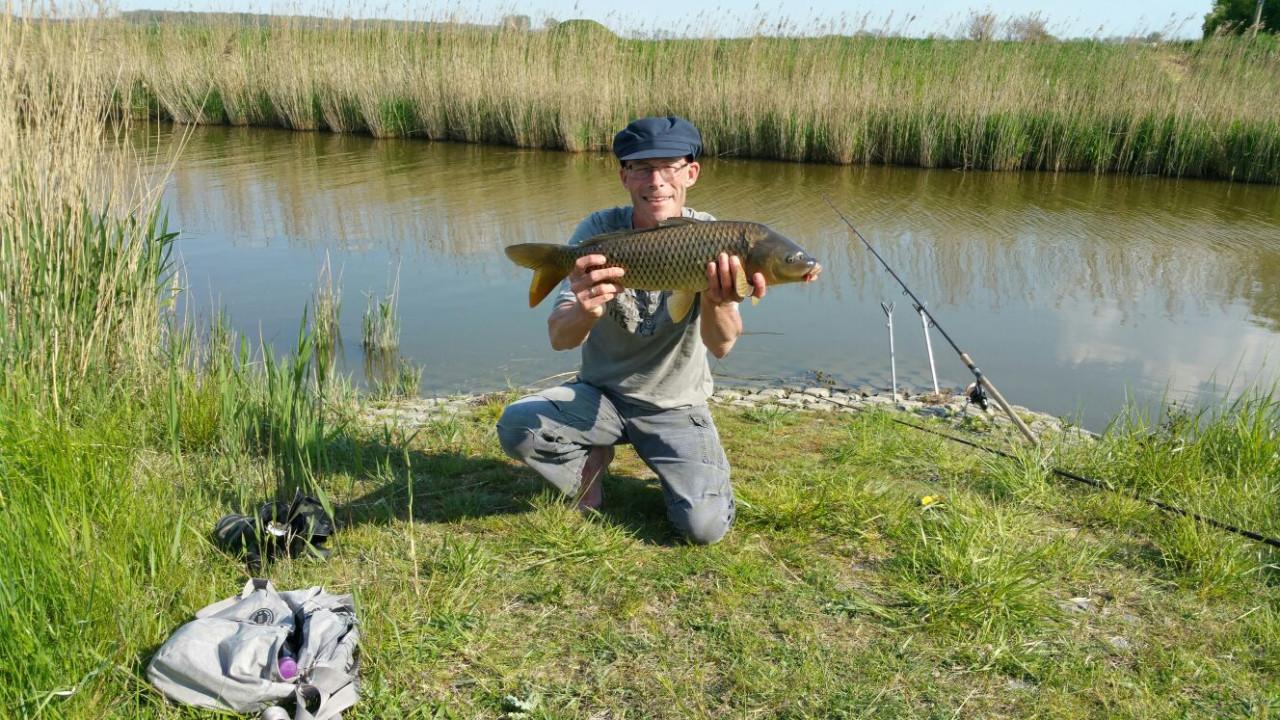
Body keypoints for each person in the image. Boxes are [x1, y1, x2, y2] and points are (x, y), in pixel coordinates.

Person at [496, 115, 785, 544]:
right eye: (642, 168)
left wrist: (719, 300)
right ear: (624, 176)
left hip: (674, 405)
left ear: (692, 172)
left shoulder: (718, 237)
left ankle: (689, 477)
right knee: (518, 426)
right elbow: (560, 338)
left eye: (669, 167)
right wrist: (587, 311)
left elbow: (721, 346)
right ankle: (590, 464)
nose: (657, 181)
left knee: (703, 529)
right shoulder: (598, 232)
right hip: (601, 395)